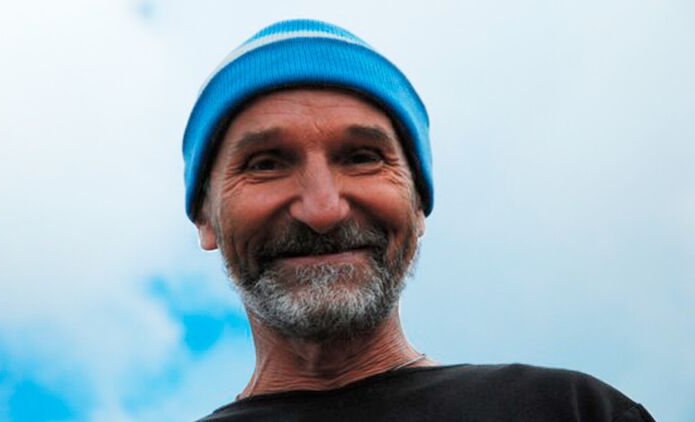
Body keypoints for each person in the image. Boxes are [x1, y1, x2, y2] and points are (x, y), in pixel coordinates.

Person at [182, 19, 655, 422]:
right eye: (265, 164)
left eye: (362, 157)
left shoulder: (572, 411)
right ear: (206, 219)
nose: (323, 210)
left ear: (418, 202)